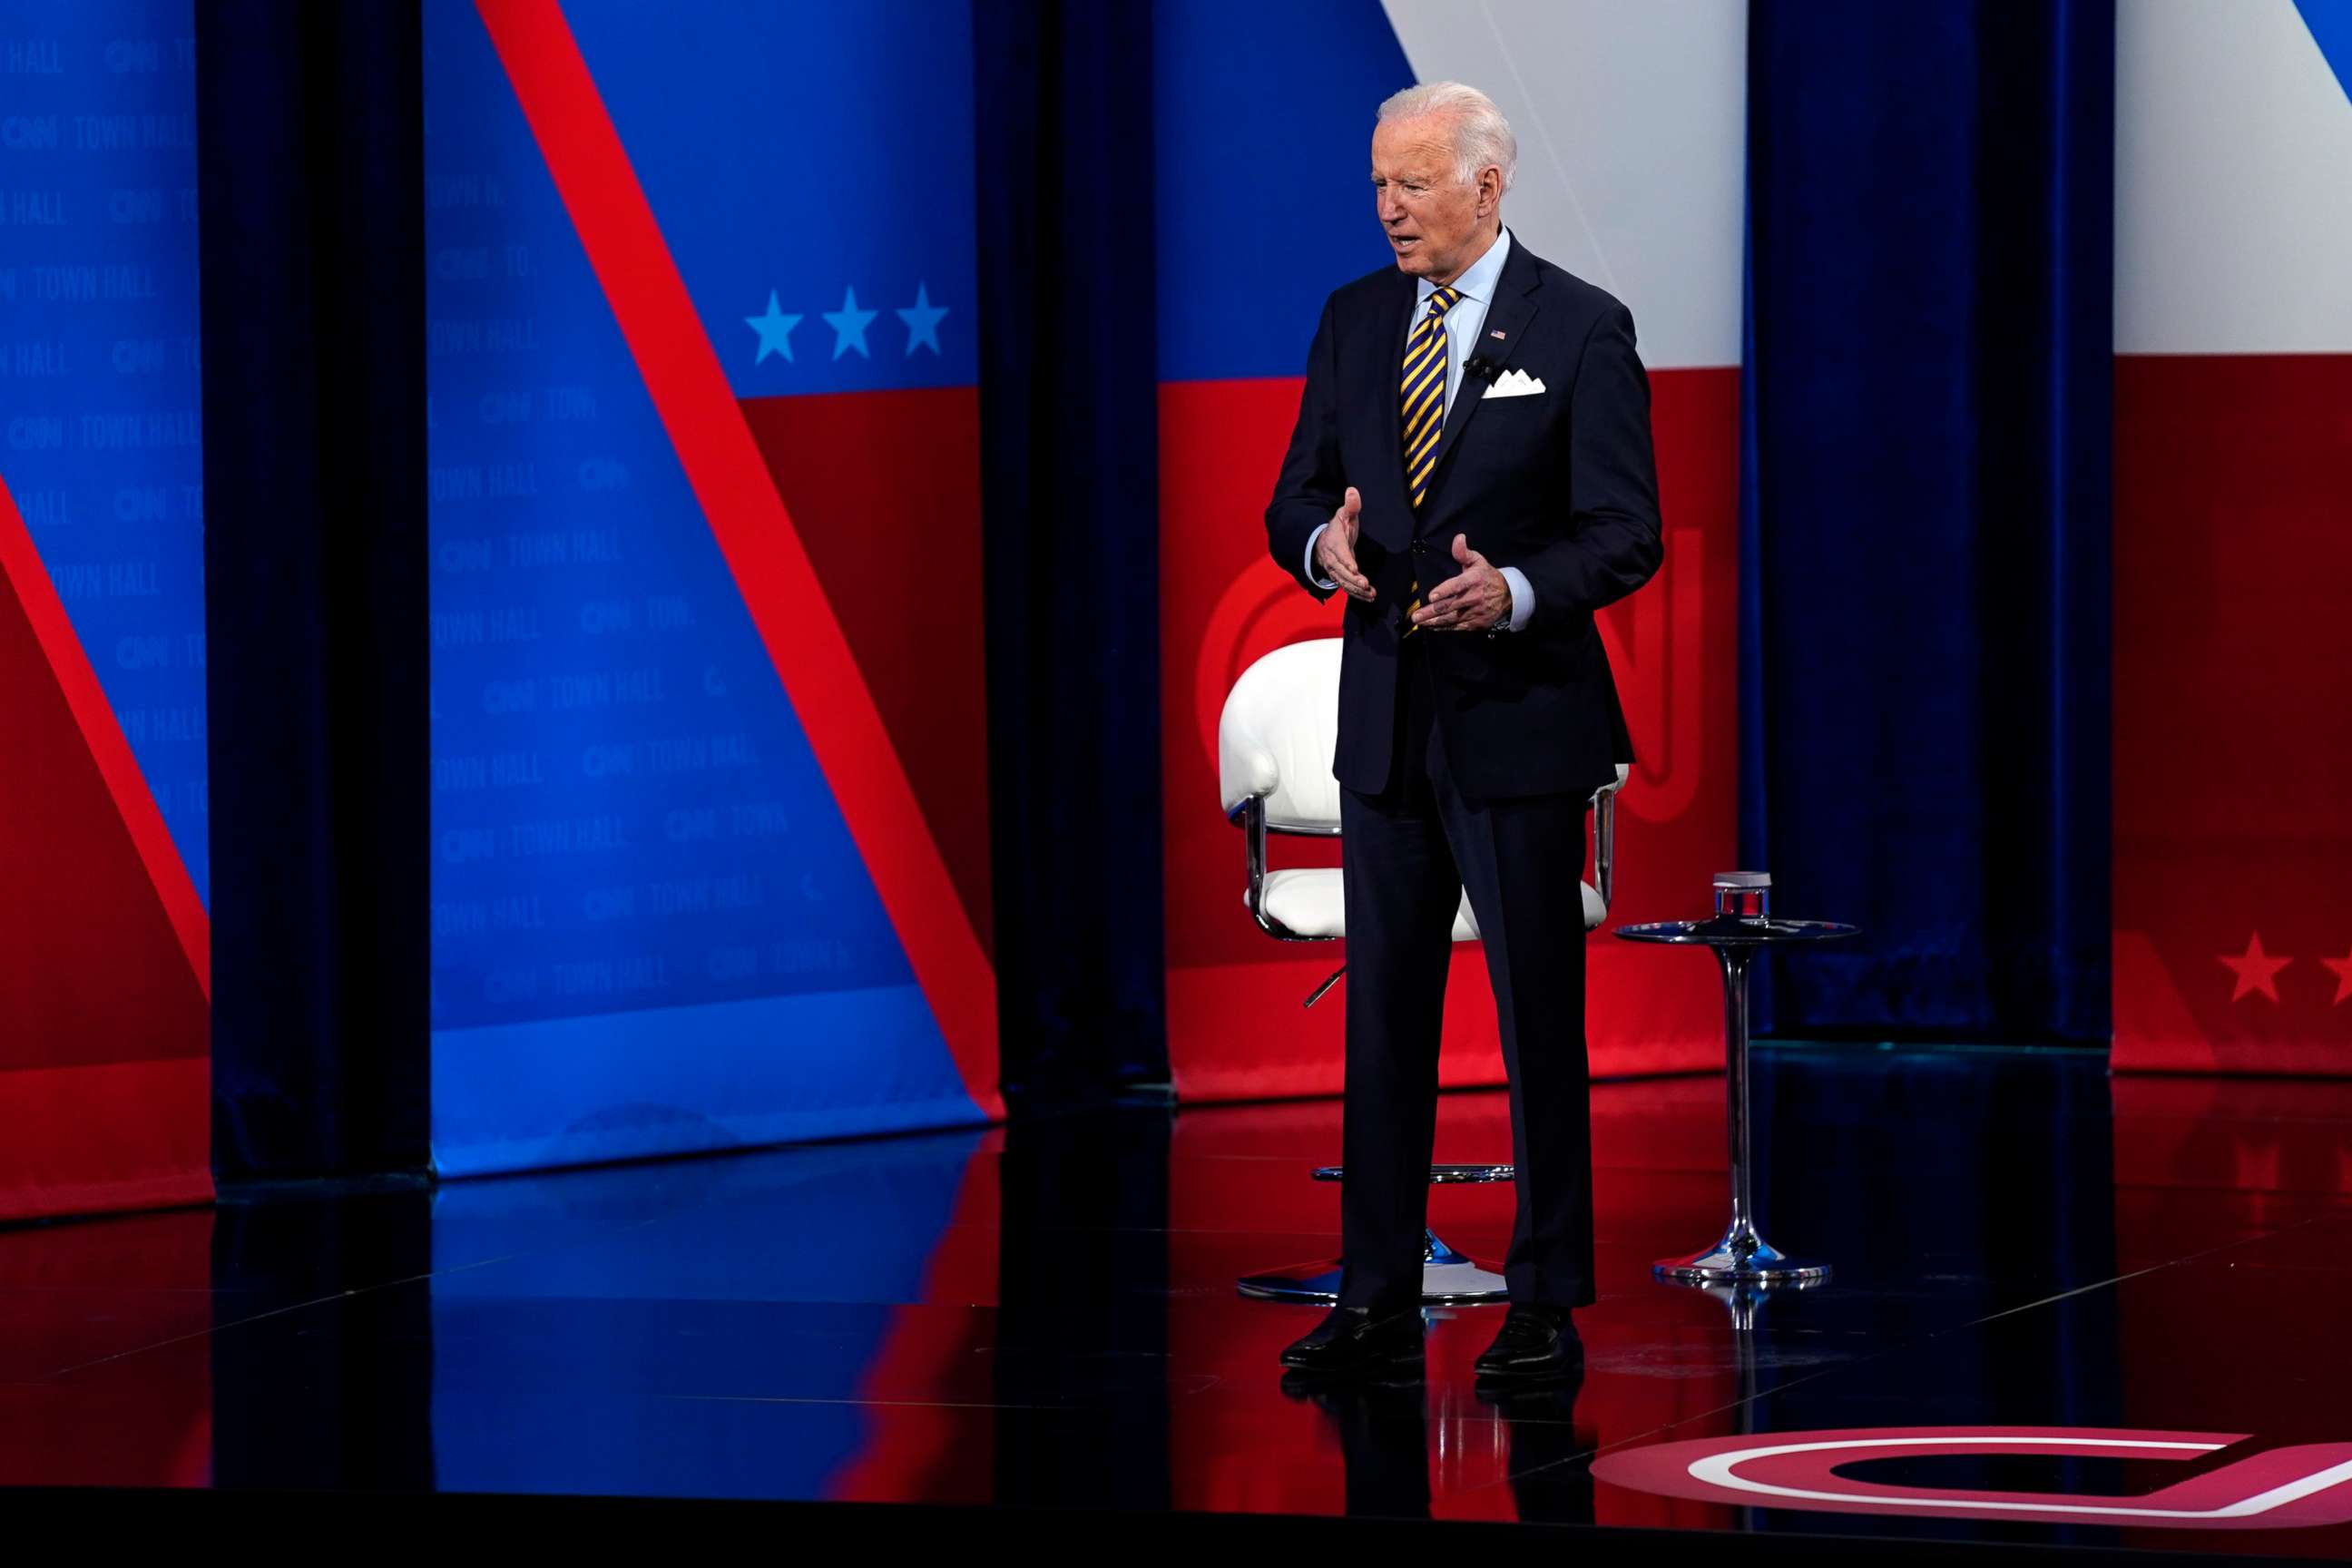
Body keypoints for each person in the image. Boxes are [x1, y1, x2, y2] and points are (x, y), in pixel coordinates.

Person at [1264, 81, 1661, 1379]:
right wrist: (1326, 547)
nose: (1389, 207)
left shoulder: (1585, 329)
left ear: (1488, 187)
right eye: (1379, 183)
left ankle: (1544, 1302)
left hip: (1522, 722)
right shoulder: (1353, 319)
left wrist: (1520, 590)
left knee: (1537, 1015)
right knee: (1383, 1021)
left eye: (1415, 183)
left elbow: (1625, 532)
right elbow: (1297, 500)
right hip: (1385, 721)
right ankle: (1375, 1294)